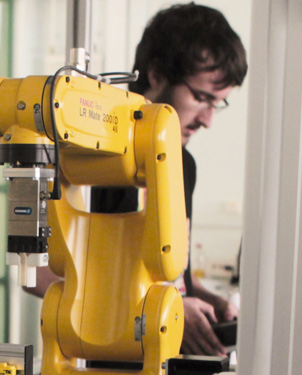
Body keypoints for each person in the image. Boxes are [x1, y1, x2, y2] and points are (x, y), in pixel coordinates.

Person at [25, 3, 248, 356]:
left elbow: (169, 275)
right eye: (201, 98)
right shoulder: (92, 154)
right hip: (111, 371)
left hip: (172, 369)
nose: (208, 120)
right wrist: (157, 309)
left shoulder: (182, 162)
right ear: (157, 75)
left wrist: (206, 301)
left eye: (217, 104)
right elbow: (37, 275)